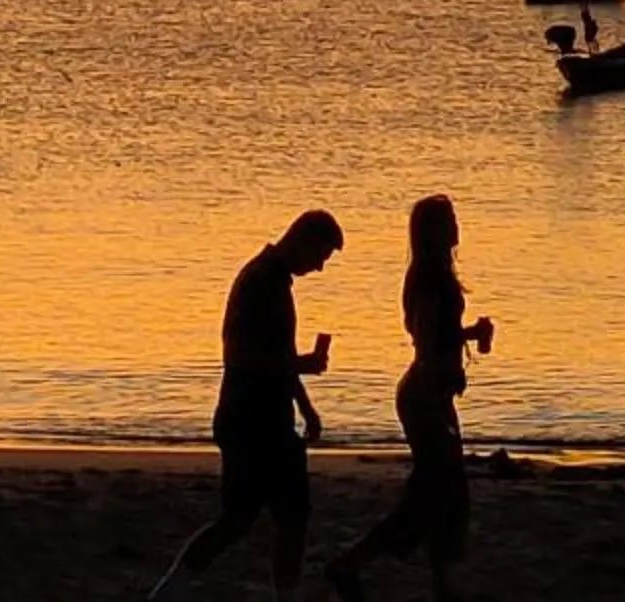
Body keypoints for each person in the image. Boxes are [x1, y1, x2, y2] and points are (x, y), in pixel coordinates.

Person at [152, 210, 345, 602]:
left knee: (264, 516)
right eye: (321, 256)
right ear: (303, 240)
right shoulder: (261, 281)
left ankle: (170, 592)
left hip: (261, 419)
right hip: (252, 420)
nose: (319, 267)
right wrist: (300, 365)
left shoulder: (272, 280)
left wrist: (306, 406)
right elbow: (239, 356)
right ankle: (173, 591)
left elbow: (279, 354)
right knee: (263, 517)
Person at [325, 195, 497, 601]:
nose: (456, 225)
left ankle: (440, 583)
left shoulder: (434, 275)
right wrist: (447, 369)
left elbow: (435, 332)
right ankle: (350, 564)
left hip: (432, 394)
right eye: (448, 219)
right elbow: (425, 336)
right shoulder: (429, 279)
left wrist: (469, 335)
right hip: (425, 396)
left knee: (443, 492)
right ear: (432, 230)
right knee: (433, 493)